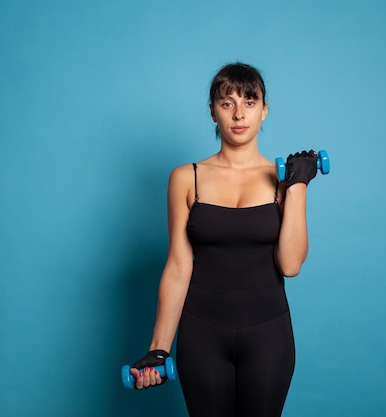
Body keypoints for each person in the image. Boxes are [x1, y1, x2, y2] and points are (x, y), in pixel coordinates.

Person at [130, 62, 319, 417]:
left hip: (268, 335)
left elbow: (291, 265)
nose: (238, 114)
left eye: (249, 102)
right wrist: (159, 348)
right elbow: (178, 265)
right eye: (227, 102)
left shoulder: (285, 179)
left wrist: (297, 187)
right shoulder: (187, 178)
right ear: (213, 112)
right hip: (202, 334)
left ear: (264, 111)